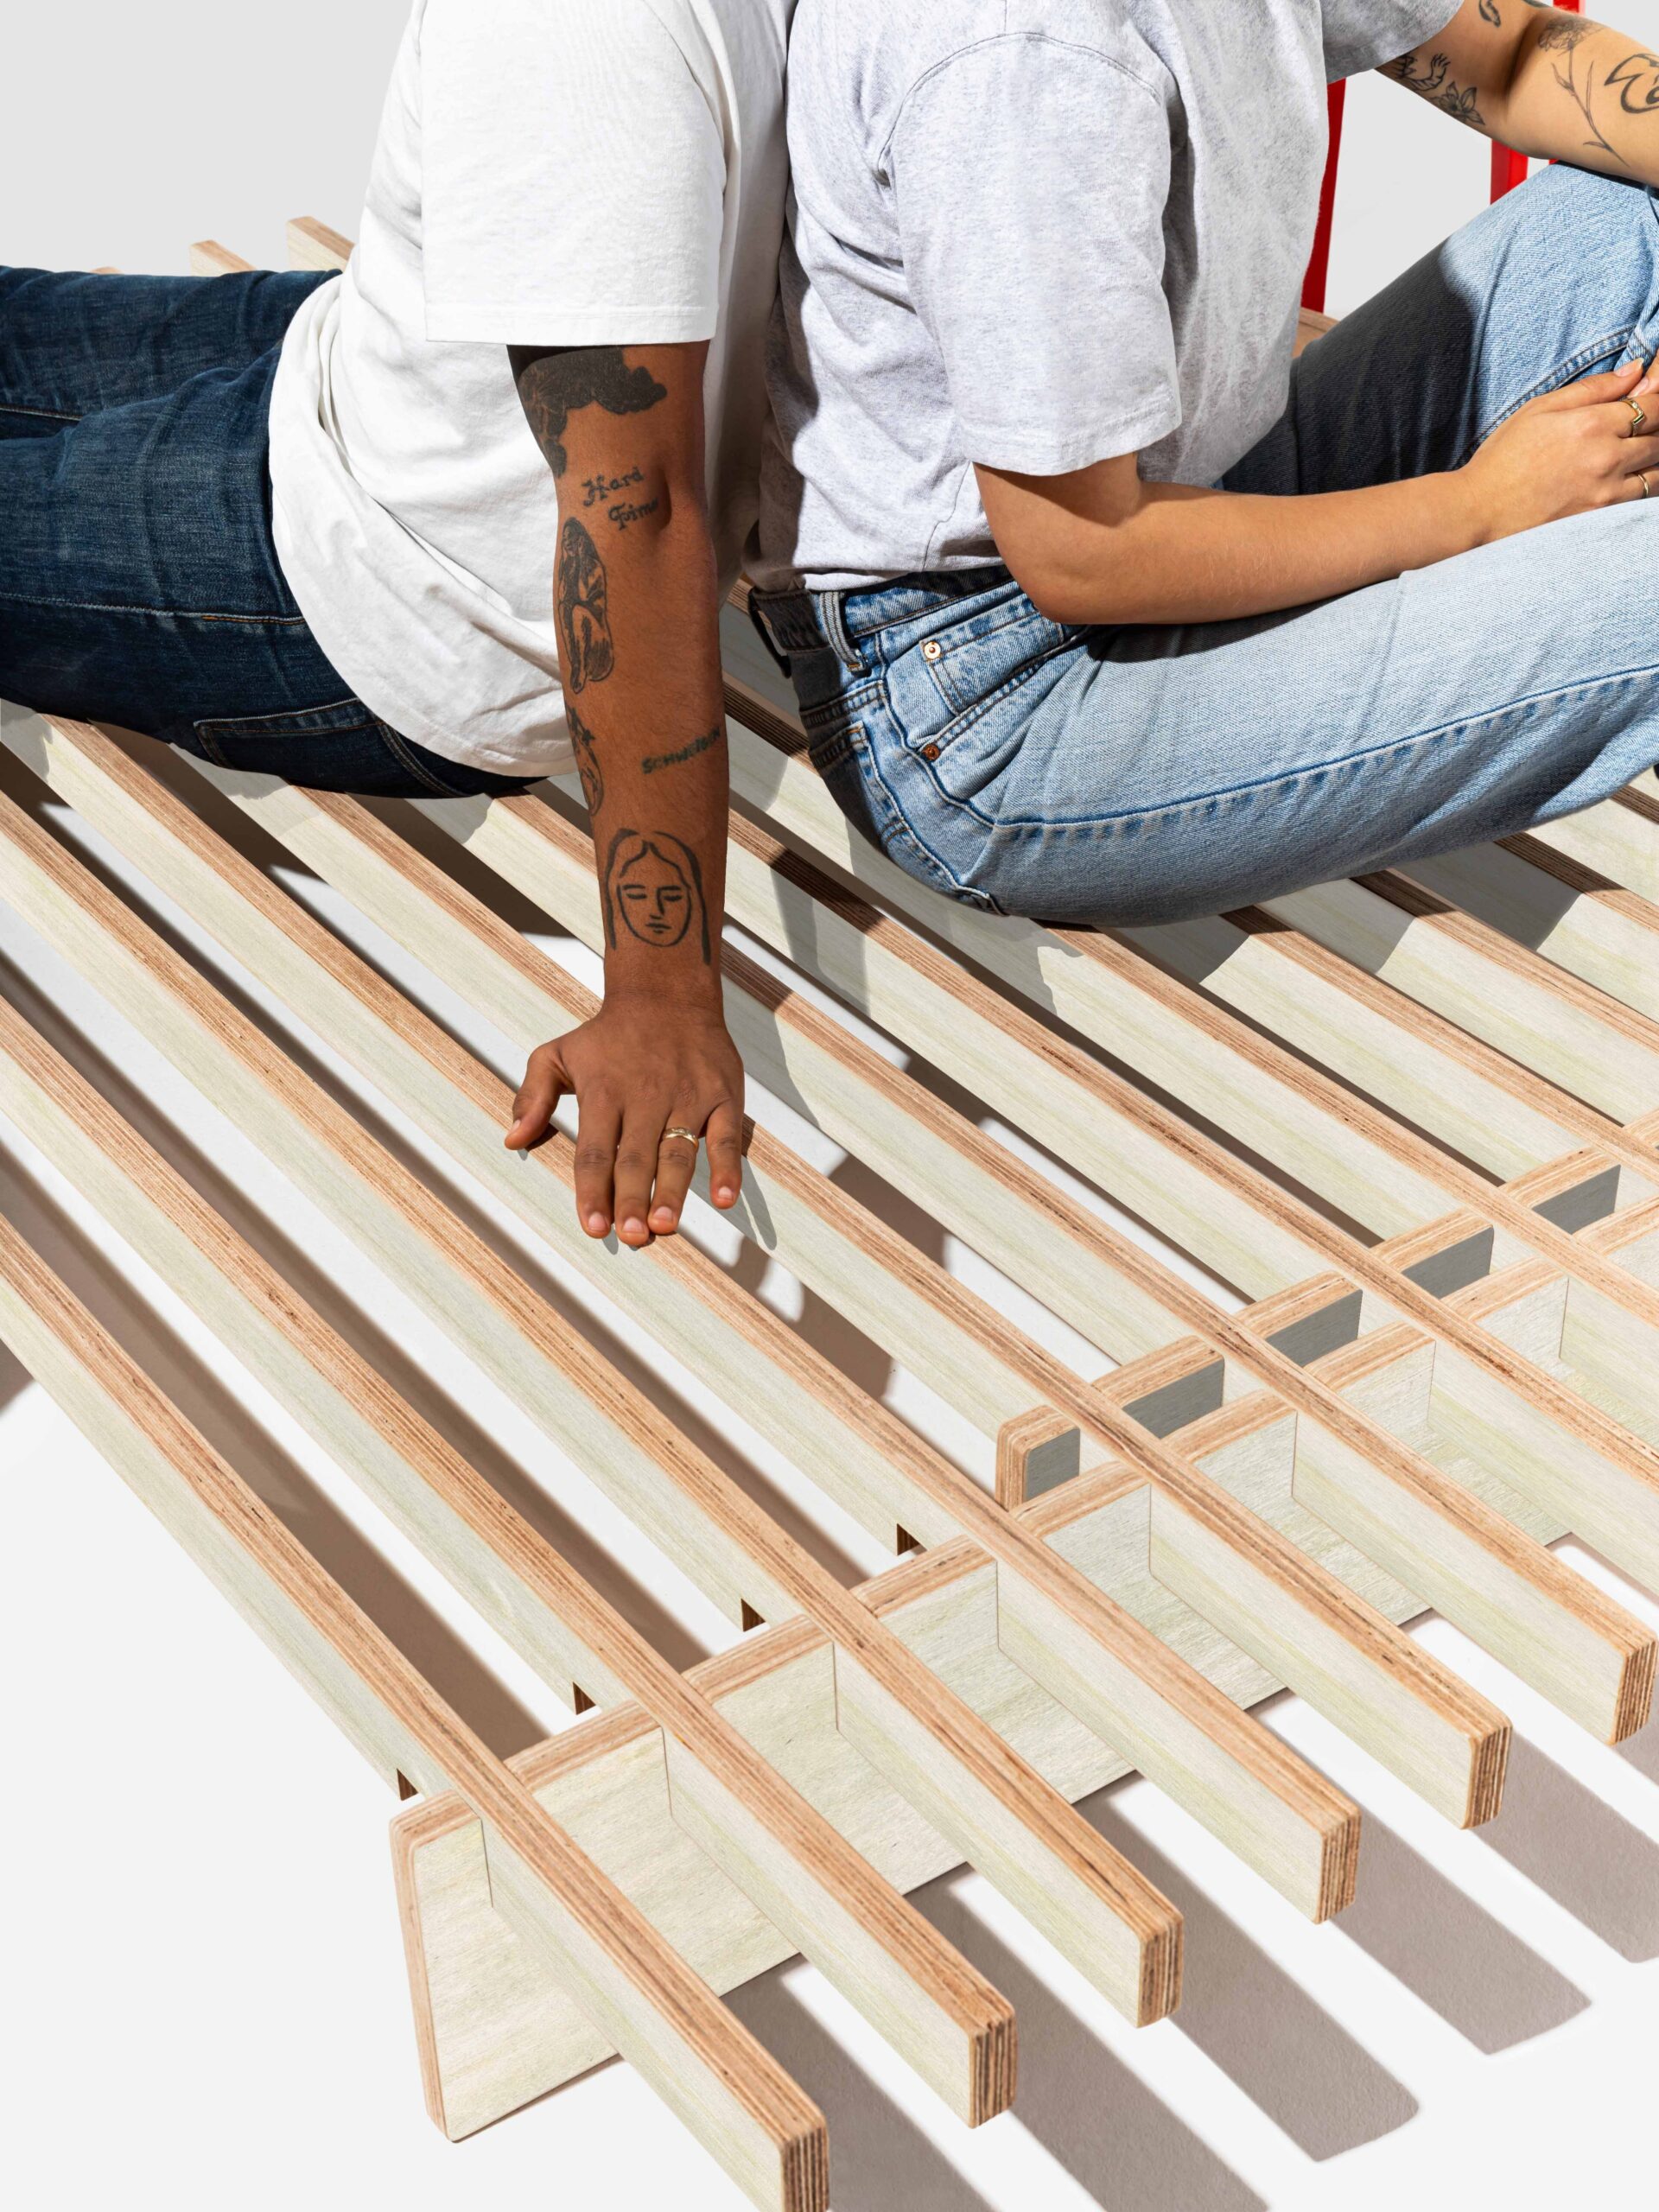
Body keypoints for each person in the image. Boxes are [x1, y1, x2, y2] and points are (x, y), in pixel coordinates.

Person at [1, 0, 794, 1247]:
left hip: (396, 592)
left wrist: (662, 989)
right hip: (369, 371)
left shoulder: (569, 33)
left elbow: (629, 511)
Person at [752, 2, 1659, 932]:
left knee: (1632, 217)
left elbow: (1502, 61)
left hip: (1201, 485)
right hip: (995, 697)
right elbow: (1079, 553)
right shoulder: (1022, 56)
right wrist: (1480, 509)